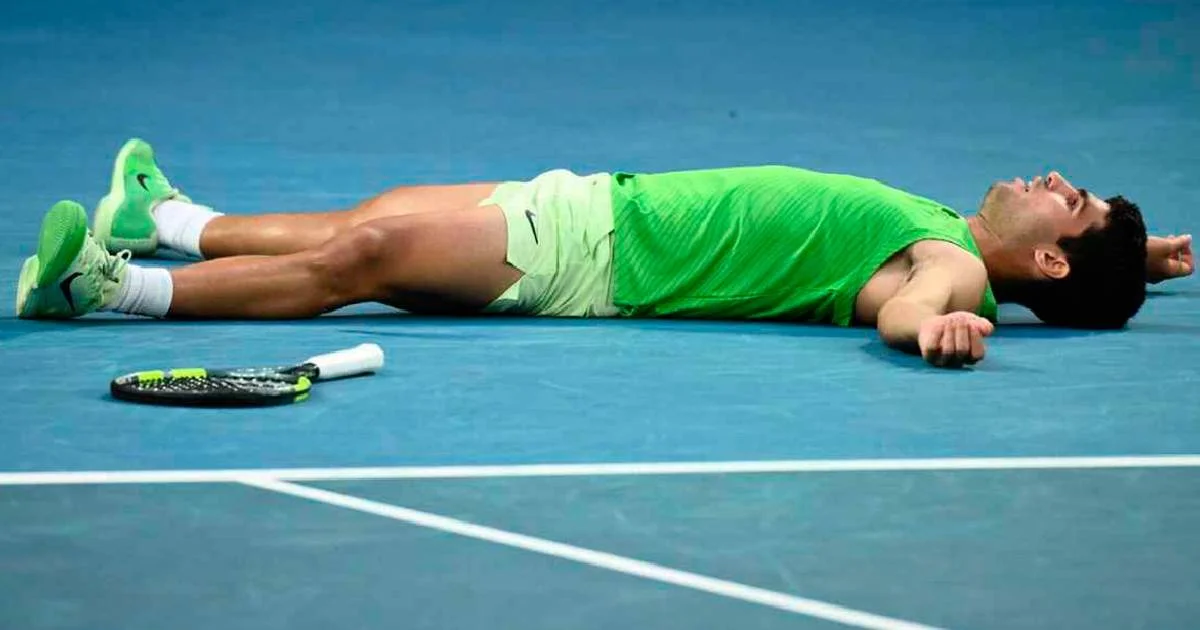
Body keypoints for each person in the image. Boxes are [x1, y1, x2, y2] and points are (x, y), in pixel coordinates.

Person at [14, 139, 1194, 368]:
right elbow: (1062, 271)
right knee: (368, 216)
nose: (1054, 182)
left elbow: (912, 305)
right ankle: (168, 223)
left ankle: (110, 290)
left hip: (595, 261)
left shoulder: (959, 270)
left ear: (1045, 266)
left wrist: (938, 329)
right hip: (596, 205)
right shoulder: (965, 233)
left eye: (1071, 204)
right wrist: (1131, 262)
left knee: (364, 255)